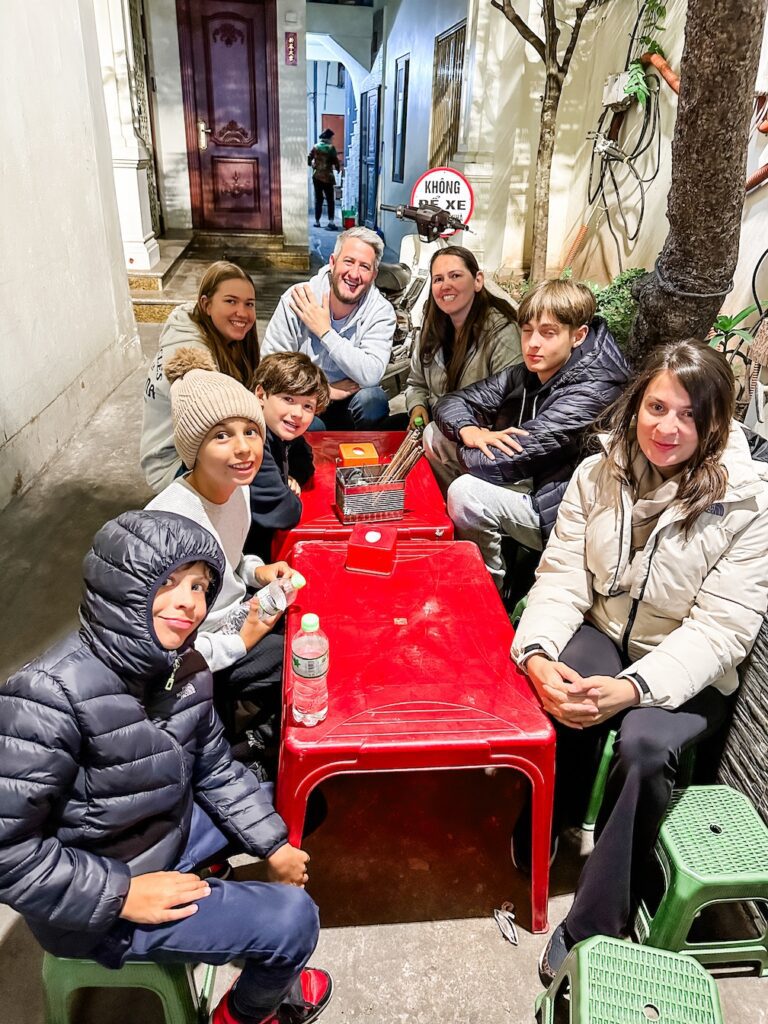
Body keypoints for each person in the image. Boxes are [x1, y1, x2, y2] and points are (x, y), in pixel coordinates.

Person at [0, 509, 332, 1024]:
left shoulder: (186, 664)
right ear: (119, 589)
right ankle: (243, 1016)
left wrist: (274, 844)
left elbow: (215, 766)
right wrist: (124, 894)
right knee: (294, 922)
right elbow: (8, 851)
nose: (188, 601)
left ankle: (206, 881)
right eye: (168, 582)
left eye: (200, 586)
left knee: (301, 804)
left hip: (160, 832)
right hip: (93, 903)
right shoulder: (46, 696)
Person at [509, 341, 768, 984]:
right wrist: (538, 653)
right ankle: (552, 814)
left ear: (715, 424)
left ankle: (597, 920)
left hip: (684, 659)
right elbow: (564, 574)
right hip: (606, 625)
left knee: (645, 747)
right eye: (656, 407)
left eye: (688, 415)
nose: (666, 427)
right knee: (555, 688)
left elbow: (721, 629)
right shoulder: (601, 470)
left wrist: (633, 689)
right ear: (636, 405)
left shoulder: (747, 502)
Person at [428, 279, 628, 589]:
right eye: (527, 330)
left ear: (578, 335)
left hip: (559, 507)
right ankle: (462, 538)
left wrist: (470, 447)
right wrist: (469, 430)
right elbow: (452, 401)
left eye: (548, 333)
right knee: (435, 435)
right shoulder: (531, 370)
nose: (533, 343)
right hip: (529, 476)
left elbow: (506, 461)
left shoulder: (594, 390)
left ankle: (487, 586)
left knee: (466, 493)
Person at [146, 352, 292, 772]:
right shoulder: (172, 526)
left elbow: (227, 559)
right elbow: (163, 653)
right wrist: (241, 641)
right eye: (222, 436)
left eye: (251, 430)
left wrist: (256, 570)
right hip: (194, 657)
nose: (244, 448)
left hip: (229, 623)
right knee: (302, 660)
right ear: (194, 447)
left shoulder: (235, 486)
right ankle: (248, 750)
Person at [141, 260, 260, 492]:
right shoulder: (192, 362)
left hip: (201, 448)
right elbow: (217, 424)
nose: (242, 312)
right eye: (230, 301)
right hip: (173, 464)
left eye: (249, 304)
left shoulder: (221, 336)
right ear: (206, 304)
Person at [262, 227, 396, 430]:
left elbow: (371, 373)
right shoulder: (298, 298)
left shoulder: (381, 311)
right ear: (332, 262)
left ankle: (361, 455)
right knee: (311, 426)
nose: (354, 274)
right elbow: (270, 365)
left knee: (373, 400)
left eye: (364, 267)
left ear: (374, 274)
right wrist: (323, 390)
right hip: (302, 398)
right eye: (348, 261)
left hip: (349, 400)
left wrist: (325, 332)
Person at [399, 245, 522, 430]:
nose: (446, 285)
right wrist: (417, 406)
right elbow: (416, 383)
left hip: (477, 433)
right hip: (437, 424)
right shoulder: (431, 325)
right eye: (438, 279)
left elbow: (508, 404)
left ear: (478, 280)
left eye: (455, 276)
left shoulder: (502, 332)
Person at [244, 352, 331, 561]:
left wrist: (292, 477)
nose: (297, 413)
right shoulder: (250, 441)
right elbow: (285, 511)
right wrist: (285, 488)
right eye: (288, 399)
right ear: (260, 395)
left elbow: (305, 459)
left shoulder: (276, 428)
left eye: (307, 406)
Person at [307, 128, 341, 231]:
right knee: (330, 200)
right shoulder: (331, 148)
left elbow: (309, 158)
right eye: (331, 138)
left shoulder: (316, 147)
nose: (332, 140)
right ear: (328, 138)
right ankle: (331, 222)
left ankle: (317, 222)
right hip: (327, 177)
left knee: (319, 199)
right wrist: (338, 169)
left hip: (316, 176)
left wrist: (312, 165)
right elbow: (336, 161)